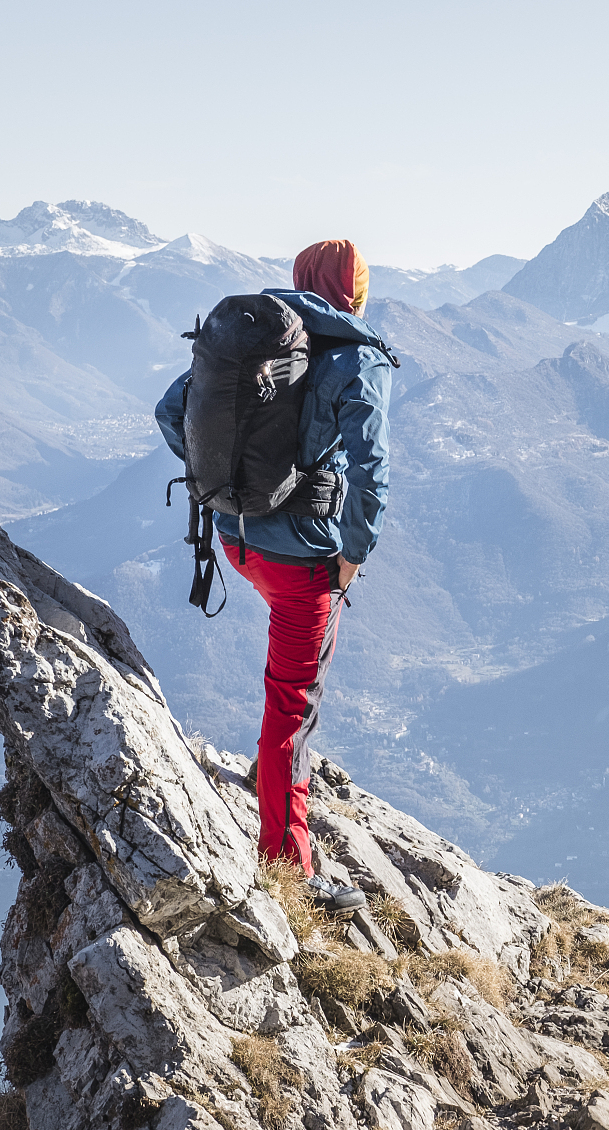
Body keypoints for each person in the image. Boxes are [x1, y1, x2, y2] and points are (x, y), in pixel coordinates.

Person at [155, 239, 391, 914]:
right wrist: (354, 551)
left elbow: (170, 412)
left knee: (287, 694)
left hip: (236, 543)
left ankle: (274, 776)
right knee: (292, 702)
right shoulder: (355, 358)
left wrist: (225, 489)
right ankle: (290, 870)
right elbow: (371, 471)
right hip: (304, 563)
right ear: (356, 294)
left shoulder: (248, 338)